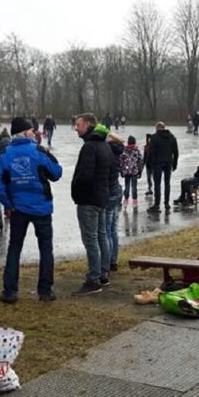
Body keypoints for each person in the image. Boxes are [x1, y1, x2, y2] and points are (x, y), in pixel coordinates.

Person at [0, 118, 63, 304]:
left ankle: (10, 291)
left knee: (15, 248)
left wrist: (8, 203)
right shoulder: (38, 150)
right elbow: (56, 173)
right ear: (25, 132)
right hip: (41, 207)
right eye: (32, 130)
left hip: (18, 209)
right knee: (45, 249)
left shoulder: (5, 153)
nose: (34, 133)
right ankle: (45, 291)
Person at [71, 113, 115, 295]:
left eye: (78, 125)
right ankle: (103, 272)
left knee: (91, 239)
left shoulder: (90, 147)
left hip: (89, 199)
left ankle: (93, 278)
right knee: (101, 235)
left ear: (89, 124)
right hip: (102, 196)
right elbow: (112, 172)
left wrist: (76, 192)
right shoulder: (104, 145)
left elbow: (85, 176)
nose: (76, 128)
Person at [147, 121, 179, 213]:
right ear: (164, 128)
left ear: (157, 128)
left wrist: (149, 164)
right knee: (167, 183)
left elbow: (151, 152)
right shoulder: (172, 137)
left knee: (157, 184)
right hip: (168, 162)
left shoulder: (154, 137)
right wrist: (175, 163)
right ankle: (166, 203)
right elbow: (176, 152)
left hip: (157, 163)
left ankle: (157, 205)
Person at [106, 132, 125, 271]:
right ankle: (114, 259)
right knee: (113, 228)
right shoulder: (118, 152)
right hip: (116, 190)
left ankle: (107, 260)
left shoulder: (108, 153)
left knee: (106, 229)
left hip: (109, 192)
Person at [119, 135, 144, 207]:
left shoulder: (124, 150)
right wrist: (140, 171)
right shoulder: (137, 151)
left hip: (126, 171)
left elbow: (121, 161)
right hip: (134, 171)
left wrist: (121, 170)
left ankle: (126, 200)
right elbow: (140, 162)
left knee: (127, 186)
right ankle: (135, 201)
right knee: (134, 186)